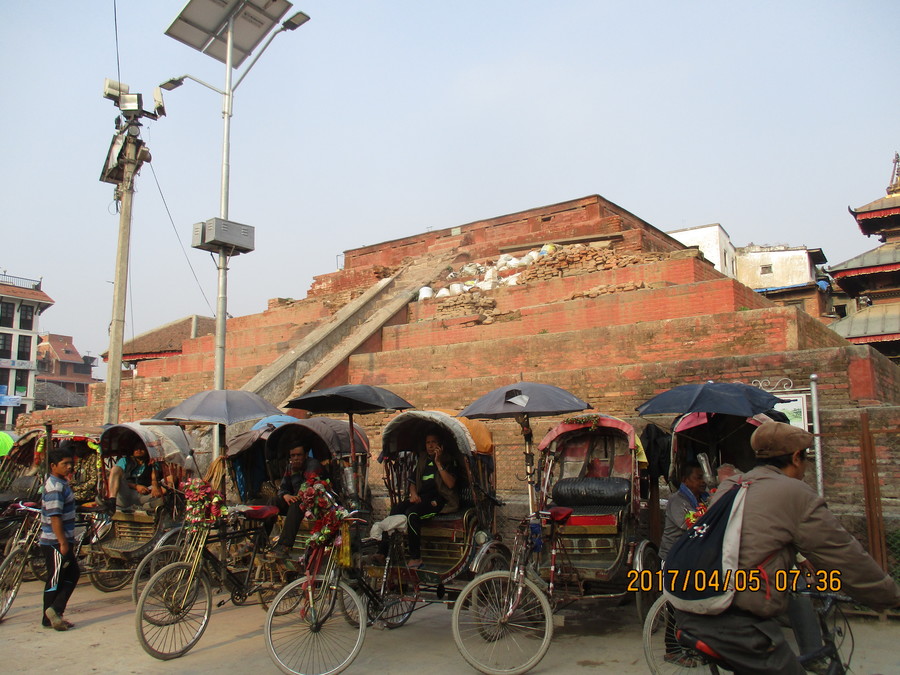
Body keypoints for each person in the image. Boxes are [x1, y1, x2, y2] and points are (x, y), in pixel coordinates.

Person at [674, 421, 900, 674]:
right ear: (795, 457)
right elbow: (845, 556)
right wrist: (889, 597)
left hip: (691, 606)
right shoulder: (796, 493)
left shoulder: (733, 484)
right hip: (735, 622)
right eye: (805, 460)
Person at [375, 432, 458, 568]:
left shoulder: (448, 460)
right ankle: (382, 552)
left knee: (412, 514)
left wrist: (438, 463)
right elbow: (412, 481)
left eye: (433, 442)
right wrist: (413, 493)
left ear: (440, 445)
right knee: (396, 509)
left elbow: (450, 484)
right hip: (421, 497)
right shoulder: (423, 460)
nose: (430, 446)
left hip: (438, 499)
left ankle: (416, 557)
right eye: (428, 442)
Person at [40, 442, 80, 631]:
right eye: (65, 464)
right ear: (53, 466)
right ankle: (51, 614)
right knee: (56, 579)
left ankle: (54, 612)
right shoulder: (55, 487)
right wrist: (63, 542)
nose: (69, 467)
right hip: (54, 541)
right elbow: (55, 517)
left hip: (61, 539)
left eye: (70, 463)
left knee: (70, 574)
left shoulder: (62, 483)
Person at [268, 443, 323, 559]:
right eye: (293, 456)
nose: (296, 458)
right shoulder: (290, 467)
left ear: (306, 455)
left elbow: (306, 489)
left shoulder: (313, 465)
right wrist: (285, 495)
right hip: (296, 502)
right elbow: (283, 488)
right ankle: (259, 541)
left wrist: (294, 497)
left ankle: (284, 546)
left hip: (314, 504)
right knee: (274, 501)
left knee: (297, 504)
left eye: (299, 455)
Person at [658, 461, 708, 561]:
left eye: (704, 478)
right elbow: (693, 526)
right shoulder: (677, 500)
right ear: (685, 480)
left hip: (692, 553)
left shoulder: (704, 499)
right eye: (699, 478)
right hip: (673, 556)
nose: (703, 481)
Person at [106, 445, 164, 513]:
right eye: (136, 448)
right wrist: (136, 486)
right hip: (126, 493)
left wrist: (155, 486)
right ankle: (112, 501)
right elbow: (116, 477)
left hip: (144, 494)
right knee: (115, 469)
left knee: (167, 482)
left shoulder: (152, 462)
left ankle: (150, 505)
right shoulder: (125, 460)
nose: (139, 450)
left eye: (142, 448)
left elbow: (154, 477)